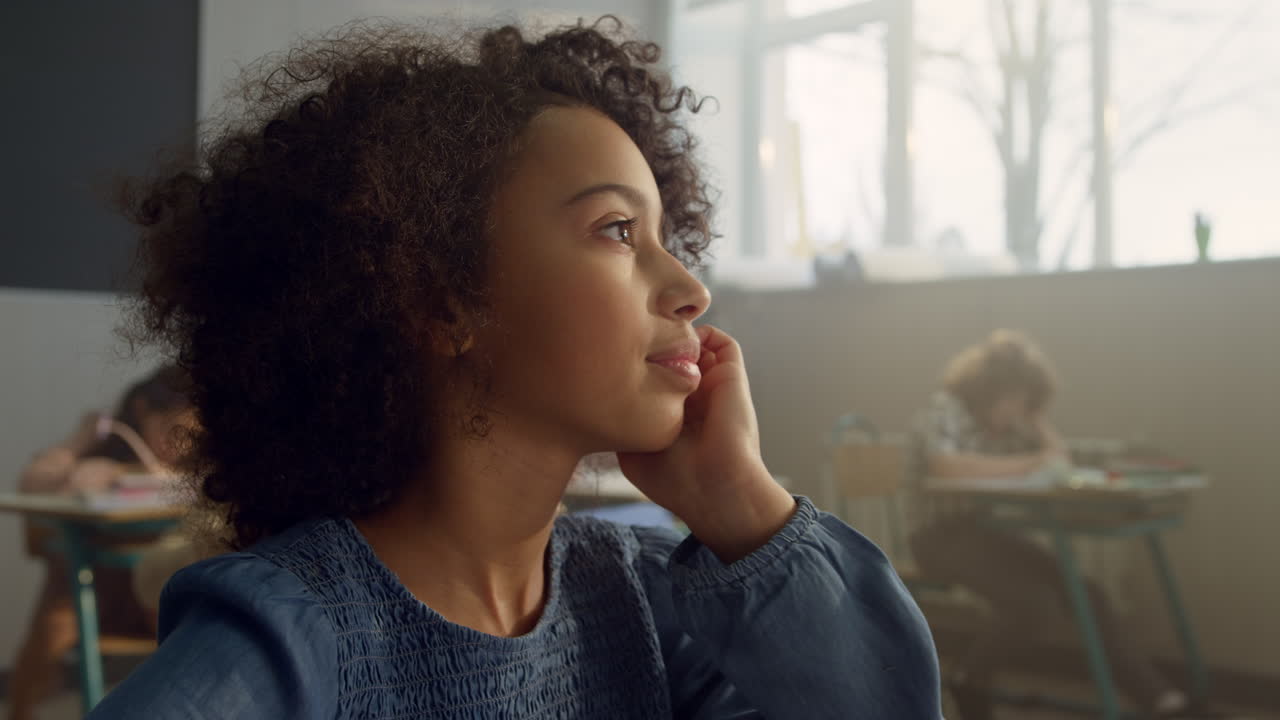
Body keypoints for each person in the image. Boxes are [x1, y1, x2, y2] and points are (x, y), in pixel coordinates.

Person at [86, 17, 941, 720]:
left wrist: (742, 504)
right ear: (443, 299)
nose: (690, 288)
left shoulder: (640, 604)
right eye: (616, 230)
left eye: (667, 240)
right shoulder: (293, 629)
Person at [907, 330, 1190, 719]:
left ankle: (1157, 697)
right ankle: (970, 676)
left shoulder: (1008, 422)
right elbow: (946, 466)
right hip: (937, 537)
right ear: (989, 389)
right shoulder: (946, 408)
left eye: (1025, 401)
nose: (1014, 410)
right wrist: (1031, 462)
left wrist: (1036, 417)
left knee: (1083, 588)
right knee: (1032, 604)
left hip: (982, 531)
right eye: (1012, 399)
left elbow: (1058, 459)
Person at [11, 365, 194, 720]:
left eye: (191, 436)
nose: (179, 445)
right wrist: (80, 440)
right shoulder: (107, 454)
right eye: (174, 430)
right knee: (58, 618)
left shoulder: (193, 467)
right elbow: (34, 483)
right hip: (97, 587)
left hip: (165, 591)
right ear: (143, 411)